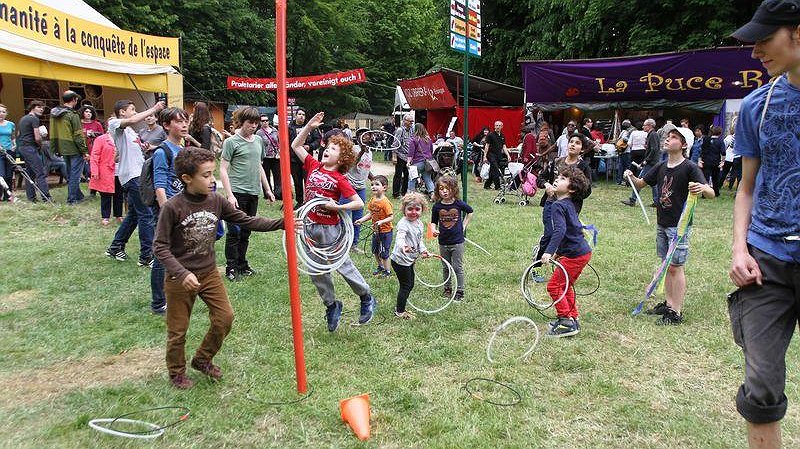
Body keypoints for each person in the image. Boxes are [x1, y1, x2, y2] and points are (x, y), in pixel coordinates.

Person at [153, 146, 285, 389]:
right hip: (179, 279)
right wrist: (181, 274)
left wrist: (280, 223)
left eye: (213, 173)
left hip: (209, 273)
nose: (212, 180)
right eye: (206, 175)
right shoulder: (173, 207)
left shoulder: (216, 201)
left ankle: (202, 359)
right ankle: (176, 373)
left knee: (225, 318)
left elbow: (246, 220)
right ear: (187, 179)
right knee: (178, 330)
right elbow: (160, 247)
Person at [728, 3, 800, 447]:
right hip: (767, 261)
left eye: (764, 39)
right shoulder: (759, 104)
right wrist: (740, 249)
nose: (754, 52)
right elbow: (746, 189)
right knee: (761, 390)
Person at [290, 111, 376, 330]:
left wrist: (336, 207)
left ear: (342, 158)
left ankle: (365, 295)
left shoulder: (340, 179)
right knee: (316, 270)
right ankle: (331, 305)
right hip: (309, 227)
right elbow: (296, 146)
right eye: (327, 147)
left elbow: (358, 203)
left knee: (342, 265)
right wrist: (309, 126)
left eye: (334, 149)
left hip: (330, 229)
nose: (327, 150)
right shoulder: (313, 166)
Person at [624, 128, 715, 325]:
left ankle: (676, 311)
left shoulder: (690, 167)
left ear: (683, 145)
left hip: (679, 227)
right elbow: (641, 184)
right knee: (666, 266)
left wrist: (703, 188)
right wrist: (631, 176)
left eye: (674, 137)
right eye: (668, 136)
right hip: (662, 223)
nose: (668, 139)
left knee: (676, 267)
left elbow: (711, 193)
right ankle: (668, 303)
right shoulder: (661, 166)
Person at [104, 99, 165, 264]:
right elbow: (132, 120)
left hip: (138, 175)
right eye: (132, 109)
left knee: (133, 215)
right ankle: (146, 256)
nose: (135, 112)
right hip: (132, 176)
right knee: (145, 214)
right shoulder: (115, 124)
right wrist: (154, 108)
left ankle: (116, 247)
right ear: (122, 112)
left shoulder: (130, 132)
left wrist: (144, 147)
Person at [219, 106, 276, 282]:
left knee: (246, 232)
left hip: (253, 193)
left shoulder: (258, 140)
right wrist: (229, 195)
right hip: (237, 192)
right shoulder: (231, 142)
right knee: (234, 232)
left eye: (256, 123)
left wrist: (267, 189)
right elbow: (222, 168)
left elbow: (259, 166)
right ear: (241, 122)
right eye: (250, 122)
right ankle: (231, 267)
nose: (253, 126)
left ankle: (242, 265)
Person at [539, 166, 593, 337]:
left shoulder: (559, 206)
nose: (557, 179)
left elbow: (560, 231)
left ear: (571, 188)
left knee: (554, 286)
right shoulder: (567, 204)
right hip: (579, 252)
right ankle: (573, 317)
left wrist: (548, 251)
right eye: (558, 176)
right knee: (565, 285)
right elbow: (570, 230)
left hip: (575, 254)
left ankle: (566, 321)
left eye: (562, 178)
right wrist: (558, 253)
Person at [150, 108, 192, 315]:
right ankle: (158, 302)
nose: (184, 125)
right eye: (179, 122)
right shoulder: (162, 152)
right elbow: (159, 185)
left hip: (182, 209)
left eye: (186, 121)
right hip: (167, 211)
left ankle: (176, 293)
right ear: (166, 126)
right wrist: (167, 213)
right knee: (162, 256)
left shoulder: (183, 150)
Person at [431, 175, 473, 302]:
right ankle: (447, 288)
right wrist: (433, 229)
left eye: (447, 188)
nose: (444, 191)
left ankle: (460, 291)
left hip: (457, 241)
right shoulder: (437, 206)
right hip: (443, 242)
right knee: (445, 266)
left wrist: (464, 226)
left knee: (457, 267)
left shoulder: (458, 203)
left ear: (453, 189)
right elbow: (433, 222)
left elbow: (470, 212)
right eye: (441, 188)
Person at [390, 191, 429, 320]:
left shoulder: (419, 223)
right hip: (400, 260)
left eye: (417, 209)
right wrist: (403, 246)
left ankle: (401, 307)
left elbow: (419, 240)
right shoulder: (403, 223)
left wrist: (423, 250)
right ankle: (400, 311)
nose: (413, 212)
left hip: (409, 259)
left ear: (422, 210)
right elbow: (400, 238)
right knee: (406, 285)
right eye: (410, 209)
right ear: (404, 209)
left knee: (410, 284)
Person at [50, 90, 89, 205]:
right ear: (74, 100)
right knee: (75, 175)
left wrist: (55, 147)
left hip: (62, 147)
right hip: (74, 147)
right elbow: (78, 134)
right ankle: (72, 199)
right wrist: (84, 151)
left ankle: (79, 196)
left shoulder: (54, 114)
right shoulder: (73, 114)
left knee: (70, 173)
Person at [355, 175, 393, 277]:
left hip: (386, 232)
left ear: (384, 187)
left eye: (377, 184)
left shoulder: (385, 202)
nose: (373, 187)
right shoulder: (372, 200)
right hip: (376, 231)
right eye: (372, 184)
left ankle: (387, 271)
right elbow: (371, 214)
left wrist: (381, 222)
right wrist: (361, 220)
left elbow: (391, 217)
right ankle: (380, 267)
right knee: (375, 251)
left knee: (384, 253)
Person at [344, 128, 373, 252]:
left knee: (358, 218)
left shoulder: (370, 151)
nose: (365, 137)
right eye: (362, 134)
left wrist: (373, 178)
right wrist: (361, 151)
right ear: (358, 137)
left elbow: (365, 168)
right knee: (344, 216)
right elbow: (352, 164)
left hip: (361, 188)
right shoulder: (353, 149)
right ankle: (342, 243)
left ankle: (354, 244)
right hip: (348, 186)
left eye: (368, 134)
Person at [16, 100, 49, 202]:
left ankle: (31, 198)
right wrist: (40, 145)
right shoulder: (34, 119)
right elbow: (37, 138)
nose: (41, 109)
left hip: (22, 147)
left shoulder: (23, 119)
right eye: (39, 107)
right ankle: (46, 197)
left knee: (29, 173)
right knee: (40, 173)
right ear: (32, 107)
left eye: (43, 108)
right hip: (30, 147)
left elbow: (18, 134)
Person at [622, 118, 659, 207]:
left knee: (639, 180)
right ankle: (657, 201)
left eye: (645, 125)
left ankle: (633, 200)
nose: (643, 127)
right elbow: (654, 148)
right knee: (653, 182)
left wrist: (646, 160)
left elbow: (654, 149)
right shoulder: (652, 134)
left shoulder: (652, 134)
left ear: (650, 126)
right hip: (653, 162)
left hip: (651, 163)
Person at [288, 108, 321, 207]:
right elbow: (286, 142)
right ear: (295, 115)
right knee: (297, 181)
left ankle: (309, 201)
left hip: (307, 159)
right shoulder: (289, 128)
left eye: (303, 114)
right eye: (299, 114)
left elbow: (318, 140)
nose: (301, 116)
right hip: (294, 159)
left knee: (308, 181)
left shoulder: (311, 127)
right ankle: (300, 202)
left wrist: (310, 146)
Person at [88, 124, 118, 225]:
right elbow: (94, 156)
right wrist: (95, 171)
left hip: (119, 169)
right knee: (106, 194)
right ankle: (105, 216)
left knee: (118, 193)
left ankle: (118, 215)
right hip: (105, 170)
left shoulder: (121, 138)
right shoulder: (101, 139)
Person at [80, 105, 104, 194]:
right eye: (86, 112)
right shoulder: (79, 124)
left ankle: (94, 191)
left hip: (95, 150)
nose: (88, 114)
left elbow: (102, 135)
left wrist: (93, 134)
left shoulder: (97, 124)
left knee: (94, 171)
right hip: (83, 150)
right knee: (88, 171)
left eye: (90, 112)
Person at [257, 114, 281, 199]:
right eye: (263, 121)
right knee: (265, 176)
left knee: (277, 176)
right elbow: (258, 145)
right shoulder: (259, 133)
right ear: (260, 122)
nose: (265, 122)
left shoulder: (275, 130)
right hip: (265, 157)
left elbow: (279, 142)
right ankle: (268, 194)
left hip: (275, 157)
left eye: (266, 120)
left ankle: (278, 194)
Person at [407, 123, 435, 195]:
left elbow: (411, 153)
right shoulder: (428, 139)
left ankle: (411, 195)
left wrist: (408, 162)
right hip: (427, 163)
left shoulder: (413, 139)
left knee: (412, 179)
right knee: (428, 180)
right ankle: (433, 195)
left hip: (417, 163)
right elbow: (431, 151)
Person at [483, 121, 510, 190]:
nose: (498, 127)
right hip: (491, 154)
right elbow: (487, 146)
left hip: (498, 155)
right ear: (494, 126)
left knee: (492, 171)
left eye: (499, 125)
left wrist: (508, 155)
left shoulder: (502, 136)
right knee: (496, 170)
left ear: (502, 127)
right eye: (496, 125)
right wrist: (485, 156)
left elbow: (504, 146)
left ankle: (487, 185)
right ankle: (497, 186)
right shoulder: (490, 135)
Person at [699, 125, 725, 197]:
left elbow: (702, 150)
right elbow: (723, 152)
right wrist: (722, 161)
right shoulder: (720, 141)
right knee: (715, 178)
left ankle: (704, 194)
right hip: (715, 161)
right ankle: (716, 193)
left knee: (705, 178)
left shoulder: (706, 139)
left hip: (706, 160)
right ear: (720, 133)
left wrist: (700, 160)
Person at [392, 113, 413, 198]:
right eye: (410, 121)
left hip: (408, 157)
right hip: (400, 155)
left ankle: (404, 192)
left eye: (412, 121)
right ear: (404, 121)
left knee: (407, 175)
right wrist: (394, 156)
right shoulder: (400, 130)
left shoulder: (412, 130)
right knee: (398, 175)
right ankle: (396, 194)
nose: (412, 122)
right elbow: (395, 144)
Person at [0, 104, 16, 201]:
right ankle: (2, 194)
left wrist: (15, 145)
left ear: (6, 113)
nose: (1, 114)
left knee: (9, 175)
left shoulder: (11, 124)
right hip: (0, 152)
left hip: (9, 152)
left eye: (3, 112)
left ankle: (8, 196)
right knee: (2, 175)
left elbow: (13, 137)